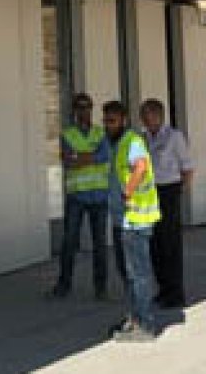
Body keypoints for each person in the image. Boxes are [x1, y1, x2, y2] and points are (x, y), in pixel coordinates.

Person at [103, 100, 161, 342]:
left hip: (135, 220)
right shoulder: (117, 144)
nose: (108, 125)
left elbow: (140, 166)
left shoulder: (131, 141)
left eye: (112, 120)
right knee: (128, 272)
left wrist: (127, 192)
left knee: (139, 273)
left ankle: (145, 324)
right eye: (106, 120)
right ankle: (135, 318)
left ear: (124, 120)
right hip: (123, 220)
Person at [48, 93, 110, 301]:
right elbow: (68, 161)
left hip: (99, 197)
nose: (83, 111)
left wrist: (81, 157)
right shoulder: (67, 134)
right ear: (74, 111)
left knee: (100, 244)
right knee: (69, 242)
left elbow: (105, 157)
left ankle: (100, 287)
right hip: (77, 196)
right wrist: (91, 156)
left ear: (91, 109)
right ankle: (64, 284)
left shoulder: (101, 133)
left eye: (87, 107)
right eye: (79, 107)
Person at [139, 99, 193, 310]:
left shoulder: (174, 137)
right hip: (150, 193)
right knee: (155, 244)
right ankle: (163, 290)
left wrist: (179, 192)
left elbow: (187, 167)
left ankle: (176, 293)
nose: (144, 119)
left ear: (158, 116)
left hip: (169, 191)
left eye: (147, 115)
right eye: (143, 115)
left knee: (170, 244)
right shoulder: (144, 138)